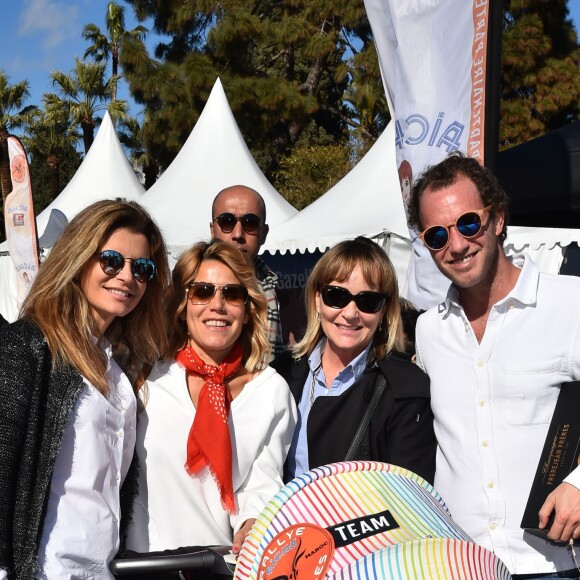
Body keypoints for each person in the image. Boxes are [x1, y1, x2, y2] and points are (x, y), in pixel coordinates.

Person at [408, 152, 580, 579]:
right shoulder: (429, 332)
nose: (458, 245)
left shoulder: (570, 303)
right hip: (459, 564)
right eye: (437, 235)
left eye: (468, 223)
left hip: (553, 565)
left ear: (498, 218)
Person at [0, 199, 169, 579]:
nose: (127, 277)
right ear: (79, 258)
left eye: (142, 268)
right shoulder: (30, 346)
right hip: (43, 569)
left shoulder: (119, 370)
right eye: (111, 260)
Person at [126, 240, 296, 556]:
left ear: (247, 311)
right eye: (202, 291)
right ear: (182, 306)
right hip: (142, 566)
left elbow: (262, 483)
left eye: (232, 294)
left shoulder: (271, 392)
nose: (217, 305)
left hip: (219, 564)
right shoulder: (144, 376)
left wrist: (252, 523)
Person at [272, 236, 436, 484]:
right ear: (317, 299)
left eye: (368, 301)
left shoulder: (407, 391)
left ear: (384, 311)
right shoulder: (280, 374)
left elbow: (408, 499)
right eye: (336, 296)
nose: (350, 314)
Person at [210, 184, 284, 360]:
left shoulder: (269, 289)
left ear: (264, 233)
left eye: (250, 223)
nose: (238, 233)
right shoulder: (187, 283)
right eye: (227, 221)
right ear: (213, 230)